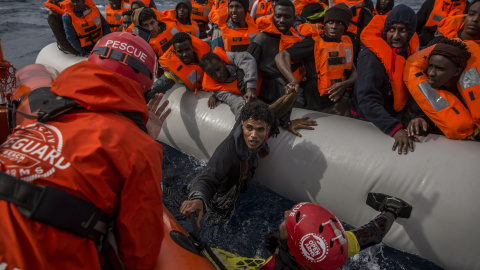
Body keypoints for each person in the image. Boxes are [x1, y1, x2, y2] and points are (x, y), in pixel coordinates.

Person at [0, 32, 171, 269]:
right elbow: (139, 254)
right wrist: (141, 139)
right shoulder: (139, 148)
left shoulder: (39, 117)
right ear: (145, 85)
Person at [180, 100, 273, 227]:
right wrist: (198, 200)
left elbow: (275, 113)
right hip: (212, 196)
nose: (253, 135)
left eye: (260, 130)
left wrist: (289, 123)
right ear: (242, 125)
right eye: (249, 128)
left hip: (236, 187)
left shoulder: (262, 128)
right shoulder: (228, 151)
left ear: (268, 129)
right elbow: (209, 178)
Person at [260, 197, 410, 270]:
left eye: (287, 222)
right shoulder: (333, 250)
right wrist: (391, 210)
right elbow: (373, 233)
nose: (286, 213)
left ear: (293, 248)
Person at [349, 5, 419, 155]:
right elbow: (367, 100)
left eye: (403, 30)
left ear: (411, 32)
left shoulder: (408, 54)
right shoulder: (371, 57)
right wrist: (395, 129)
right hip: (366, 118)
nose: (395, 36)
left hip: (392, 112)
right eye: (391, 29)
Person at [248, 0, 316, 137]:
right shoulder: (262, 38)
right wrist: (249, 90)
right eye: (278, 16)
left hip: (295, 92)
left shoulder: (296, 39)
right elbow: (246, 66)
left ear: (294, 18)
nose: (282, 20)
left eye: (287, 17)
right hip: (272, 94)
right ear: (273, 15)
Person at [276, 3, 357, 117]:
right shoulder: (314, 42)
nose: (334, 26)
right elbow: (281, 56)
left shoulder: (345, 44)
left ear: (346, 26)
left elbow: (354, 71)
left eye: (339, 23)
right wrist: (292, 80)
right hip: (315, 103)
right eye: (330, 22)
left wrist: (345, 84)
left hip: (336, 102)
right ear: (325, 24)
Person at [403, 38, 480, 141]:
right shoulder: (424, 91)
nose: (431, 73)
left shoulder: (473, 90)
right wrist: (417, 121)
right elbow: (408, 117)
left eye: (440, 69)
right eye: (430, 66)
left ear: (456, 71)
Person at [199, 47, 259, 118]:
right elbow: (235, 102)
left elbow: (246, 59)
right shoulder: (219, 92)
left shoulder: (231, 59)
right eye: (212, 74)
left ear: (222, 62)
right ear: (208, 75)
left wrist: (250, 88)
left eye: (218, 69)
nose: (218, 75)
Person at [150, 32, 211, 97]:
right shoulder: (174, 71)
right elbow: (160, 85)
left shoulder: (207, 48)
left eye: (187, 49)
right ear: (175, 52)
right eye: (180, 51)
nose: (184, 54)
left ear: (192, 48)